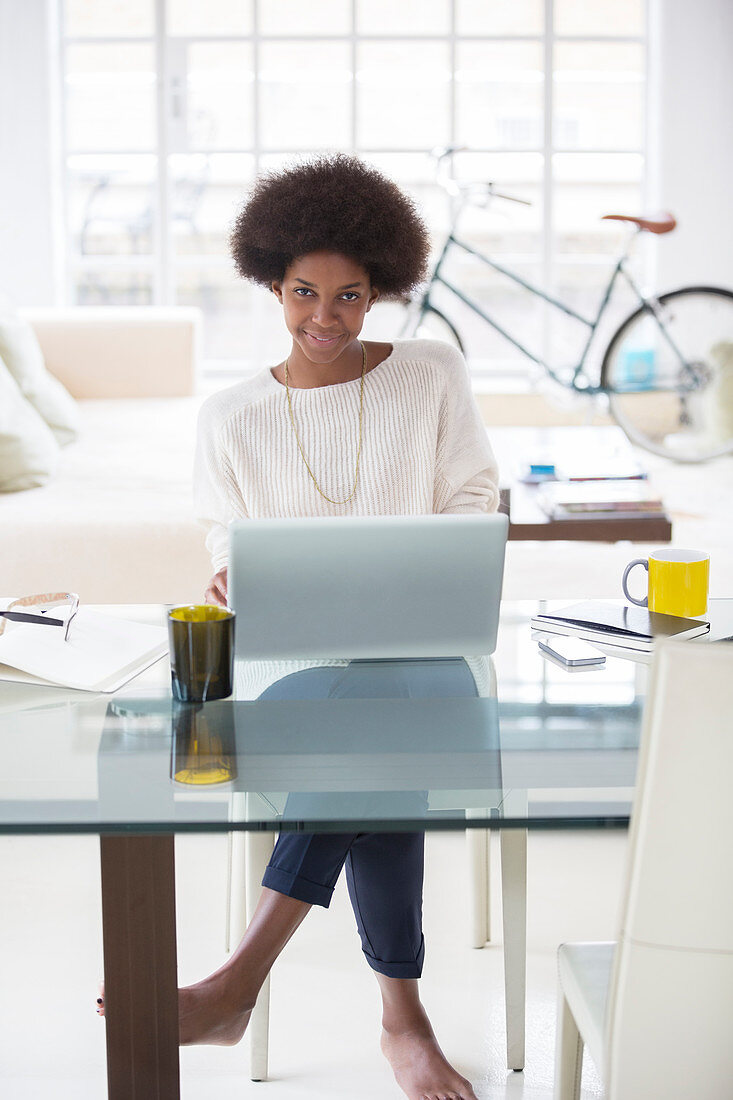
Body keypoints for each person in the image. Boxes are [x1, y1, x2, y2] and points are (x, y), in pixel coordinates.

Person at [100, 153, 499, 1100]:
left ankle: (237, 984)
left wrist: (404, 574)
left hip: (429, 657)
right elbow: (221, 527)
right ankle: (403, 1022)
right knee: (376, 723)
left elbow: (473, 500)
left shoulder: (432, 374)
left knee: (386, 701)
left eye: (351, 296)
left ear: (382, 292)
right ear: (272, 285)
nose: (325, 317)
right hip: (300, 671)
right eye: (304, 293)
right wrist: (233, 566)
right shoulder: (231, 417)